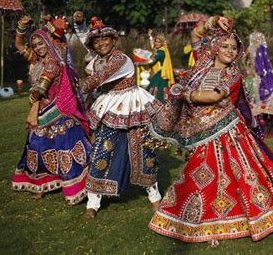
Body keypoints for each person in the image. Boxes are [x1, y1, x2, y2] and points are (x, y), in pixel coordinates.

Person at [148, 16, 273, 245]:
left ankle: (225, 221)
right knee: (207, 177)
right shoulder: (203, 62)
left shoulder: (232, 74)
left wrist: (186, 94)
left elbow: (214, 96)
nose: (231, 51)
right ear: (214, 47)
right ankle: (210, 222)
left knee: (227, 176)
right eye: (225, 46)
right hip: (204, 132)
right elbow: (196, 34)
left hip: (228, 133)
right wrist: (213, 22)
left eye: (234, 47)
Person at [81, 21, 163, 218]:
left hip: (132, 105)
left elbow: (99, 77)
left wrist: (79, 91)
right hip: (109, 106)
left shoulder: (121, 59)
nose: (101, 43)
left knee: (144, 149)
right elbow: (92, 71)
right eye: (96, 41)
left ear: (113, 40)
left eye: (105, 39)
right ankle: (93, 203)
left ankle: (155, 197)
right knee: (102, 149)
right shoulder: (97, 61)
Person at [11, 19, 91, 205]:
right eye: (35, 45)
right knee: (37, 148)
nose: (38, 48)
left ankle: (75, 187)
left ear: (47, 43)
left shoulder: (53, 63)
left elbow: (40, 89)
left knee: (64, 150)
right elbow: (18, 44)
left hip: (58, 111)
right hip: (41, 110)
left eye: (41, 43)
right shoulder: (35, 60)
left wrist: (32, 101)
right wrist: (21, 28)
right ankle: (40, 185)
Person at [244, 30, 273, 138]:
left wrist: (249, 69)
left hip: (254, 80)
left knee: (255, 103)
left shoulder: (254, 50)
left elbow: (248, 63)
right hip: (254, 80)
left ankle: (256, 127)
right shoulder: (259, 50)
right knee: (254, 102)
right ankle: (257, 126)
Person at [144, 30, 175, 103]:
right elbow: (153, 47)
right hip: (160, 74)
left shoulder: (160, 52)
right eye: (156, 41)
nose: (156, 43)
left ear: (162, 43)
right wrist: (150, 37)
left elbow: (152, 61)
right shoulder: (163, 49)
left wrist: (139, 63)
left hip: (160, 75)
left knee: (154, 92)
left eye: (159, 42)